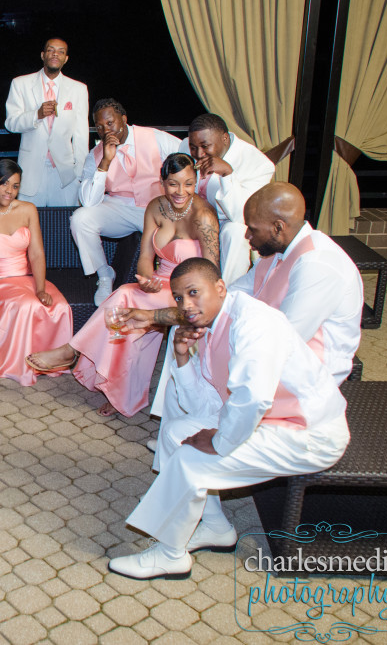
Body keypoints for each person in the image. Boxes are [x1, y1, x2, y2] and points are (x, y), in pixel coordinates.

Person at [108, 258, 349, 579]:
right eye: (179, 298)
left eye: (194, 293)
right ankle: (217, 527)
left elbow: (254, 398)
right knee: (175, 432)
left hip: (307, 432)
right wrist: (181, 359)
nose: (186, 305)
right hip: (267, 418)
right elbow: (202, 406)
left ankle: (170, 555)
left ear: (220, 287)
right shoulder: (210, 324)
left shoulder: (253, 323)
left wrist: (218, 441)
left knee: (191, 460)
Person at [123, 182, 363, 433]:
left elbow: (285, 343)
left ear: (278, 227)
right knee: (182, 351)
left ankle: (208, 433)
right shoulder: (276, 255)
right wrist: (153, 316)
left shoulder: (317, 265)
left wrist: (221, 344)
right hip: (260, 341)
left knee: (192, 358)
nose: (247, 236)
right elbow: (223, 300)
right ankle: (180, 441)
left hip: (301, 374)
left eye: (252, 229)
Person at [26, 153, 220, 417]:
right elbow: (145, 260)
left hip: (186, 294)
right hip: (157, 284)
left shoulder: (204, 217)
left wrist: (186, 294)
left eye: (188, 183)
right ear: (162, 182)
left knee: (123, 299)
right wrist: (145, 278)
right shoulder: (155, 207)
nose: (181, 191)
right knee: (127, 302)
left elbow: (211, 273)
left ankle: (73, 352)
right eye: (173, 183)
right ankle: (119, 393)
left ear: (196, 181)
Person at [0, 159, 73, 386]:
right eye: (4, 184)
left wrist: (40, 287)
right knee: (27, 306)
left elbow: (36, 253)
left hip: (26, 278)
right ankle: (21, 362)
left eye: (15, 186)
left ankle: (50, 360)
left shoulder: (28, 210)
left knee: (58, 306)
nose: (10, 191)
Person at [71, 99, 181, 306]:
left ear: (123, 119)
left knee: (175, 240)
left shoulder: (154, 137)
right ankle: (105, 276)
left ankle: (172, 284)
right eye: (100, 127)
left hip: (156, 207)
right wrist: (105, 162)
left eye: (110, 123)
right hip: (119, 209)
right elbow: (87, 201)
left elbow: (185, 158)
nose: (105, 131)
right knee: (81, 219)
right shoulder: (94, 155)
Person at [180, 113, 275, 283]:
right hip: (189, 215)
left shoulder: (259, 164)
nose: (198, 153)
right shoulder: (186, 147)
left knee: (236, 232)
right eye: (193, 147)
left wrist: (227, 175)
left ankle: (227, 293)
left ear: (224, 138)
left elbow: (241, 216)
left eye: (205, 146)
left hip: (225, 222)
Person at [4, 38, 89, 206]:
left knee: (63, 225)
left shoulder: (78, 88)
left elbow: (81, 134)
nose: (55, 54)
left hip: (65, 173)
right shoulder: (20, 83)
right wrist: (37, 115)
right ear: (43, 55)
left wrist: (80, 174)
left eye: (61, 51)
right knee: (29, 226)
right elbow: (11, 123)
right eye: (51, 50)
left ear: (66, 58)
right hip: (31, 170)